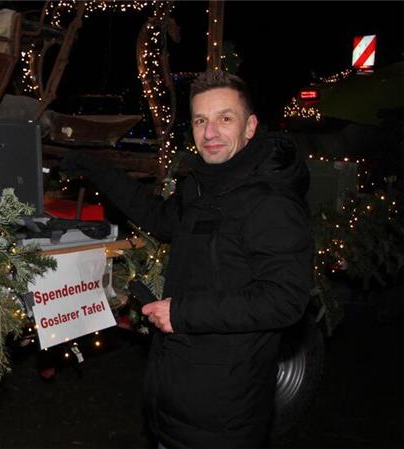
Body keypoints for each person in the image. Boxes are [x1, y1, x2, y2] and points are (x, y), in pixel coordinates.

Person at [62, 71, 313, 447]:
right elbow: (160, 218)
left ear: (250, 127)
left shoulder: (270, 203)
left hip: (224, 418)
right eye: (200, 120)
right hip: (176, 403)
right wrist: (98, 169)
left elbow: (285, 300)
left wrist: (181, 314)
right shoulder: (202, 186)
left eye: (225, 118)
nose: (210, 132)